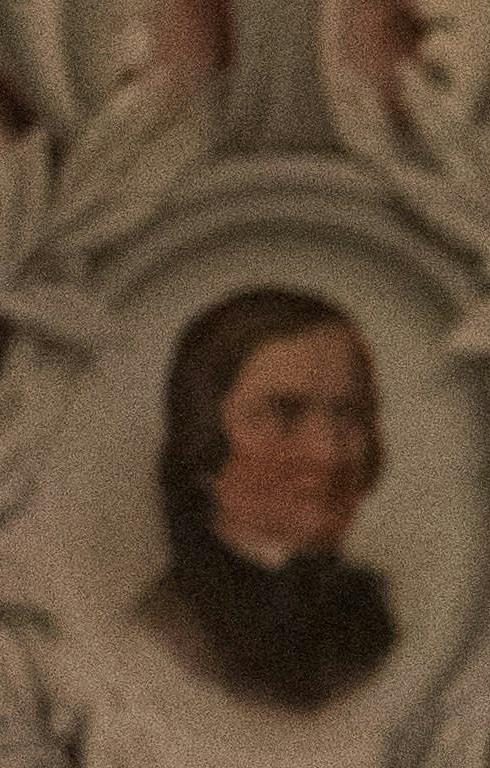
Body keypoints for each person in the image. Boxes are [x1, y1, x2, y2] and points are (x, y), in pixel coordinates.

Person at [137, 287, 396, 713]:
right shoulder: (167, 631)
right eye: (285, 413)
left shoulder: (370, 619)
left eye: (349, 413)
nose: (327, 453)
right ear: (205, 435)